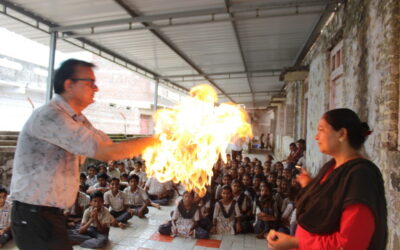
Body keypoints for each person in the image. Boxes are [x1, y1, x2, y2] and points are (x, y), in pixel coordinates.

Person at [9, 59, 157, 250]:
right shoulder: (51, 116)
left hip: (50, 215)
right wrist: (159, 141)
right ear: (69, 84)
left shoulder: (77, 119)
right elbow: (105, 153)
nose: (96, 88)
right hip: (34, 215)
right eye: (90, 83)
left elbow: (107, 146)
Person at [267, 108, 387, 250]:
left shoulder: (361, 177)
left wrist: (297, 243)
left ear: (342, 134)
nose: (316, 137)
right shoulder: (332, 166)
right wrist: (308, 185)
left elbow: (350, 244)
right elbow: (329, 199)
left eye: (321, 130)